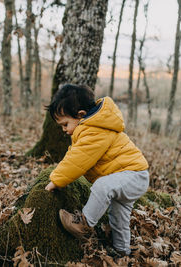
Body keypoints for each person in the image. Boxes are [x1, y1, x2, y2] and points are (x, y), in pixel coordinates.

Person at [45, 84, 149, 256]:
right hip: (127, 177)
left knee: (102, 186)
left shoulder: (94, 131)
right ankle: (122, 251)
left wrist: (56, 181)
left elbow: (77, 160)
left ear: (81, 115)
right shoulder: (92, 128)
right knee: (118, 218)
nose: (64, 130)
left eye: (65, 124)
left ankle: (83, 224)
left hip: (133, 175)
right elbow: (74, 155)